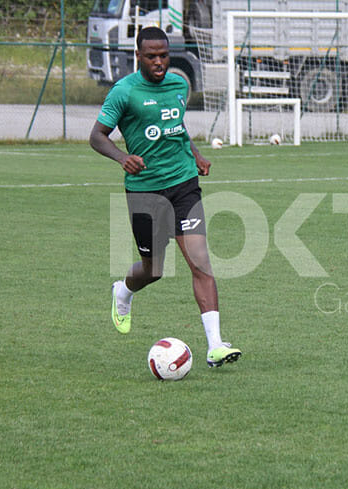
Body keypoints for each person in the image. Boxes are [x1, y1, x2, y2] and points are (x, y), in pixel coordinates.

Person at [89, 26, 240, 368]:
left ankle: (215, 345)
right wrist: (121, 158)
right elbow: (97, 136)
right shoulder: (124, 92)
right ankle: (123, 291)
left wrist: (196, 154)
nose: (159, 62)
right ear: (138, 56)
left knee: (200, 262)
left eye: (164, 55)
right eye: (152, 56)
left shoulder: (178, 85)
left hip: (184, 184)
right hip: (145, 190)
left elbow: (176, 126)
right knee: (153, 269)